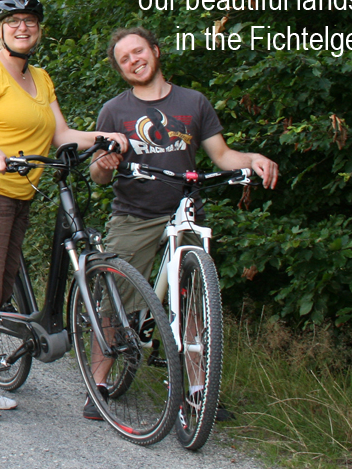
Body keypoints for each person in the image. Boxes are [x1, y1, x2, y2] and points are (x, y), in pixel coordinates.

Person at [0, 0, 128, 420]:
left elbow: (59, 134)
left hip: (18, 193)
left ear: (39, 29)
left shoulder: (40, 79)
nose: (22, 27)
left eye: (30, 21)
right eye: (13, 21)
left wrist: (106, 138)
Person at [86, 26, 279, 420]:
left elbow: (223, 156)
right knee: (115, 298)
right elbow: (99, 175)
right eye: (124, 59)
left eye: (138, 52)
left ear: (155, 51)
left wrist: (253, 159)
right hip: (133, 214)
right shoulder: (115, 110)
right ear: (120, 70)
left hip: (185, 212)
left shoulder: (194, 102)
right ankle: (98, 385)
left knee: (193, 306)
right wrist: (103, 165)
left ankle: (196, 392)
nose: (133, 61)